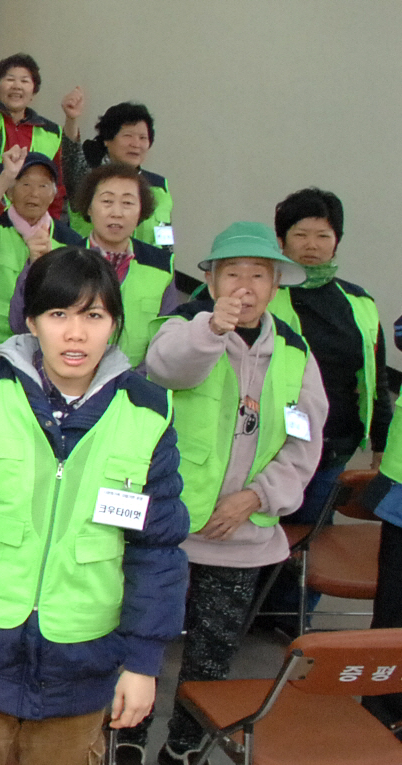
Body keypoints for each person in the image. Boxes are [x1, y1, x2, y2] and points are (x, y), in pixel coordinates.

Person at [0, 248, 188, 765]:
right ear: (31, 321)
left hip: (82, 667)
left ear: (114, 324)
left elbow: (156, 549)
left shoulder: (146, 412)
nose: (75, 334)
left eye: (93, 316)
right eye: (58, 314)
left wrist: (142, 663)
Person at [132, 224, 324, 765]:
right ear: (211, 279)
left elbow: (304, 439)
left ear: (276, 284)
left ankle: (184, 748)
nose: (246, 284)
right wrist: (212, 328)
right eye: (232, 272)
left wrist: (258, 497)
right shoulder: (181, 328)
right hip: (167, 527)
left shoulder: (294, 351)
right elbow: (167, 370)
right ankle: (124, 740)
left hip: (239, 534)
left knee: (211, 659)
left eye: (259, 274)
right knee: (141, 641)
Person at [267, 189, 392, 544]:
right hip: (269, 446)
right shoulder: (262, 294)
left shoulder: (357, 301)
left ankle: (297, 602)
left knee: (313, 540)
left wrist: (381, 445)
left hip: (335, 446)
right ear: (281, 240)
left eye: (323, 235)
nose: (312, 245)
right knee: (263, 538)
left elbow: (374, 378)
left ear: (336, 242)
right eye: (300, 234)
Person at [54, 163, 177, 367]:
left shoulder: (161, 266)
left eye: (128, 203)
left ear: (141, 212)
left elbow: (168, 335)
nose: (117, 213)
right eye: (107, 201)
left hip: (134, 385)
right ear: (89, 208)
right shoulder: (63, 259)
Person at [0, 148, 77, 353]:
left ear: (53, 195)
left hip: (38, 351)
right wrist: (7, 175)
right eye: (25, 184)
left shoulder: (69, 242)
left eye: (43, 186)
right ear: (10, 191)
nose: (34, 193)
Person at [68, 102, 174, 252]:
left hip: (142, 270)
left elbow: (164, 235)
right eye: (128, 136)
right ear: (107, 139)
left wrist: (166, 262)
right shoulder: (88, 178)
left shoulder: (159, 185)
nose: (136, 144)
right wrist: (71, 120)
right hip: (92, 266)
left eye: (143, 137)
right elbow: (71, 154)